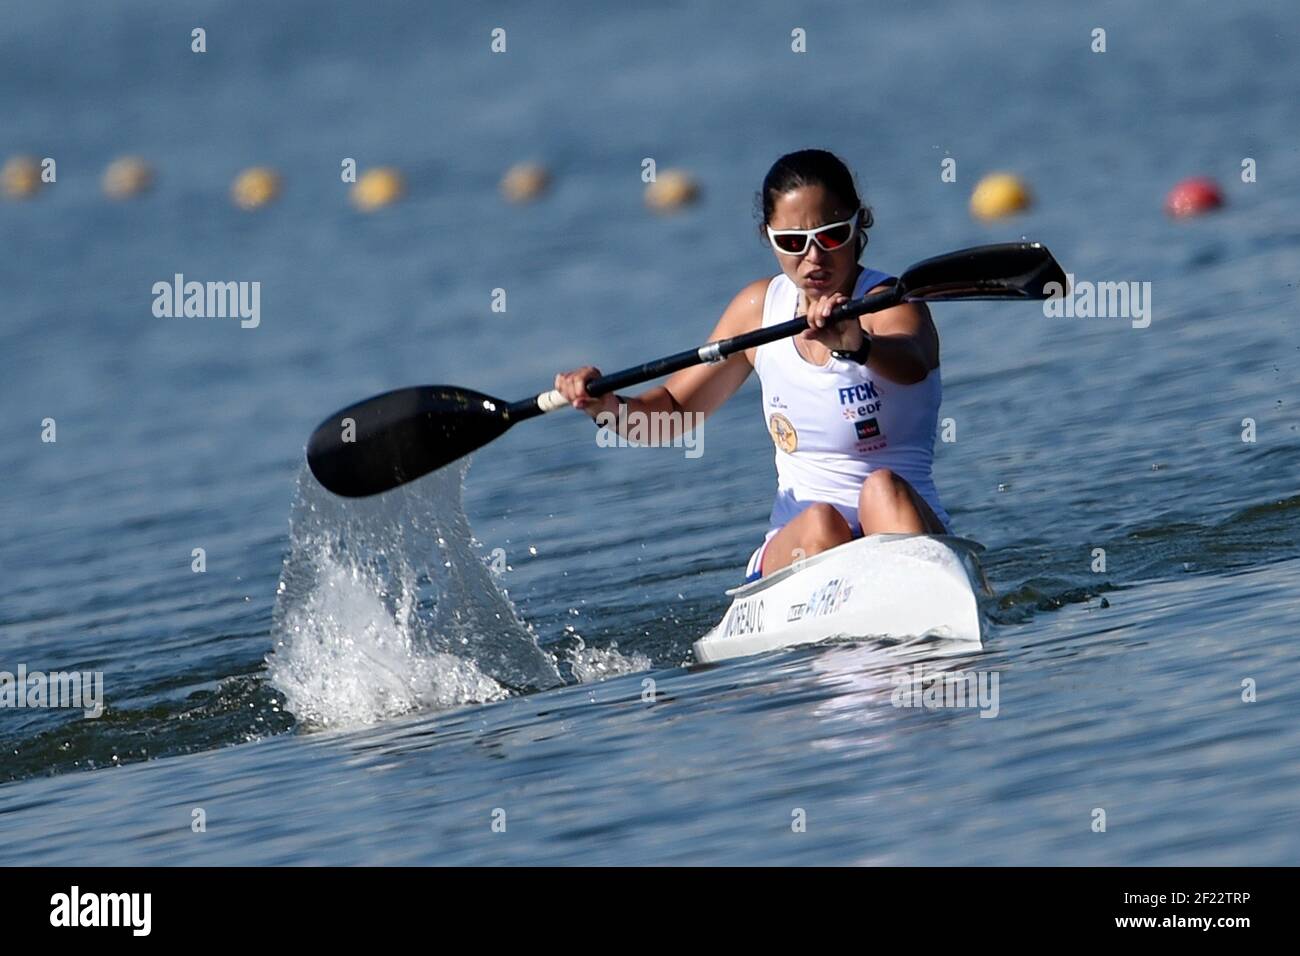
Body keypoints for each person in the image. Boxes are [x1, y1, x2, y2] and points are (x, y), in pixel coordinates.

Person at [554, 148, 950, 582]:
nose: (814, 257)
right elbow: (671, 416)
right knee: (822, 523)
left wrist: (858, 346)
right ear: (769, 237)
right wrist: (605, 408)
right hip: (801, 547)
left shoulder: (889, 304)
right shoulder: (758, 309)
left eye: (832, 236)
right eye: (794, 243)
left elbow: (912, 361)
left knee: (882, 488)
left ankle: (926, 594)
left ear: (860, 224)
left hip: (900, 525)